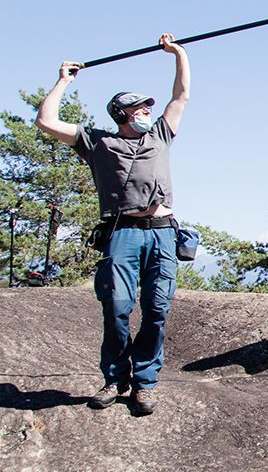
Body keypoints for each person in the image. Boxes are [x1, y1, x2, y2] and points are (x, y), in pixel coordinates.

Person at [35, 34, 190, 414]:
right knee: (117, 308)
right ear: (121, 115)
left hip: (162, 234)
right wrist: (64, 81)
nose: (145, 113)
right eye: (137, 109)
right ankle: (116, 377)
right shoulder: (98, 143)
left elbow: (181, 96)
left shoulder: (160, 136)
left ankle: (146, 382)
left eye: (145, 108)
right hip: (122, 234)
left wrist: (179, 54)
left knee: (156, 309)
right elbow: (45, 121)